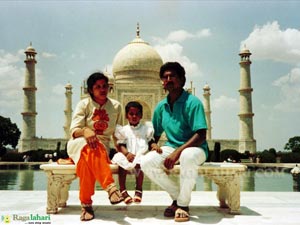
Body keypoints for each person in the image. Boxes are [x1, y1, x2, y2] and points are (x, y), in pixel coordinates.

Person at [141, 62, 209, 222]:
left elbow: (201, 134)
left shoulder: (193, 102)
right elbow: (154, 135)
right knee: (146, 162)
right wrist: (151, 145)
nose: (168, 79)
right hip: (171, 147)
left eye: (173, 76)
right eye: (165, 77)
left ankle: (183, 205)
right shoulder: (161, 107)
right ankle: (178, 196)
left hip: (196, 148)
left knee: (187, 155)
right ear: (161, 82)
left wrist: (178, 152)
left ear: (182, 80)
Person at [67, 72, 124, 221]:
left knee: (87, 161)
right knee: (89, 147)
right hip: (78, 143)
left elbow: (118, 135)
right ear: (91, 90)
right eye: (98, 86)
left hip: (101, 147)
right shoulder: (84, 104)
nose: (102, 89)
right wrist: (86, 130)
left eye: (105, 86)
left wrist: (123, 154)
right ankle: (110, 188)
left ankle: (86, 204)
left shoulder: (116, 107)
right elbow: (73, 131)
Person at [111, 101, 158, 205]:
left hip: (140, 154)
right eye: (131, 114)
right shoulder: (123, 130)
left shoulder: (146, 129)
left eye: (137, 114)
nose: (134, 116)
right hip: (127, 155)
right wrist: (126, 154)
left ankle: (139, 189)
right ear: (127, 116)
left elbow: (151, 141)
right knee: (121, 163)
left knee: (140, 163)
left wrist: (154, 146)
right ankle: (123, 190)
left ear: (141, 115)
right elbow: (121, 144)